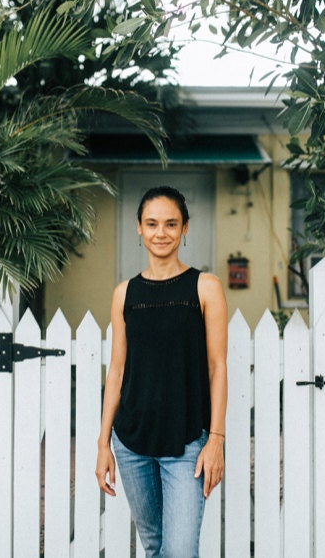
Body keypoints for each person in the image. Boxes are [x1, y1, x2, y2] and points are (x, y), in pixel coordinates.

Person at [96, 185, 229, 557]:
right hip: (131, 441)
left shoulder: (206, 288)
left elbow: (218, 367)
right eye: (152, 224)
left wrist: (215, 439)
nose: (161, 233)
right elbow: (117, 370)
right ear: (138, 228)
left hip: (187, 441)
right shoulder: (125, 293)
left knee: (181, 551)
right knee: (155, 546)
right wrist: (103, 443)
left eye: (171, 224)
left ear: (185, 228)